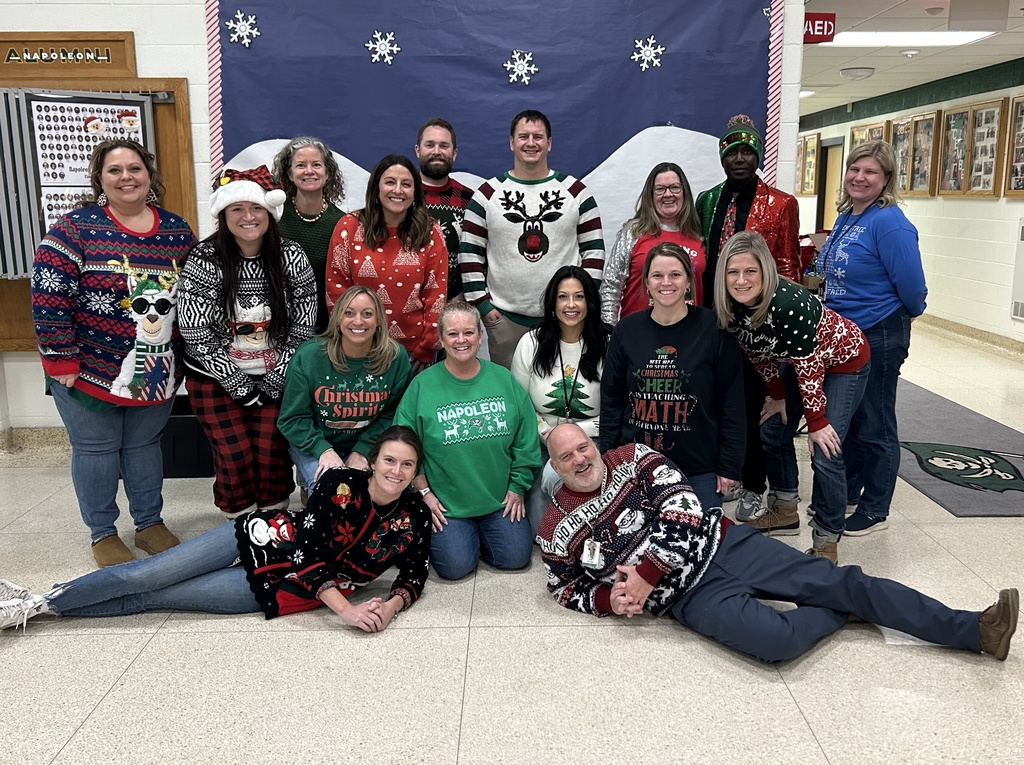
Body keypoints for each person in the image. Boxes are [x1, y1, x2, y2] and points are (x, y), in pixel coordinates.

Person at [538, 423, 1018, 664]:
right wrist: (609, 599)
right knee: (776, 643)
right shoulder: (553, 527)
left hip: (726, 545)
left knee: (846, 583)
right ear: (554, 468)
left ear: (594, 444)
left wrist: (645, 574)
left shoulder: (634, 457)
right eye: (567, 457)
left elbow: (683, 506)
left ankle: (976, 630)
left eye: (583, 447)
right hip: (688, 597)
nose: (580, 459)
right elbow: (564, 588)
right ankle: (842, 608)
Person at [0, 428, 431, 634]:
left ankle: (42, 610)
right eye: (389, 460)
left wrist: (391, 607)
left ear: (416, 472)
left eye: (407, 464)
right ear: (373, 461)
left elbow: (414, 574)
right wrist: (347, 611)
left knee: (155, 598)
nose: (396, 471)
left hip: (282, 589)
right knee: (146, 574)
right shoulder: (339, 483)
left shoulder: (415, 515)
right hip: (261, 536)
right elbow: (309, 556)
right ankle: (38, 600)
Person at [31, 139, 196, 567]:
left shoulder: (177, 231)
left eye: (135, 168)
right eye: (115, 170)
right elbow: (49, 296)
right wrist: (60, 358)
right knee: (97, 450)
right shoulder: (73, 230)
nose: (126, 177)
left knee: (144, 446)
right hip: (86, 370)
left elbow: (195, 295)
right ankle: (103, 532)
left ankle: (149, 524)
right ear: (99, 179)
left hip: (156, 367)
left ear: (149, 175)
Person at [714, 231, 870, 563]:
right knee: (772, 430)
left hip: (844, 361)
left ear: (765, 271)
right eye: (733, 272)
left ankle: (826, 539)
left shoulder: (788, 303)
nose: (741, 281)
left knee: (825, 449)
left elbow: (809, 366)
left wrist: (817, 422)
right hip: (799, 362)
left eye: (750, 271)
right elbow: (757, 353)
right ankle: (784, 508)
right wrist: (777, 396)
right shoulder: (730, 307)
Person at [177, 166, 317, 515]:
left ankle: (274, 518)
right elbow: (195, 331)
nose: (248, 216)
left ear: (269, 212)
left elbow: (303, 326)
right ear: (223, 214)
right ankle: (239, 522)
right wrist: (237, 383)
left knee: (271, 453)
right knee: (235, 454)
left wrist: (275, 380)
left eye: (256, 207)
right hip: (214, 377)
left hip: (277, 375)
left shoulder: (291, 255)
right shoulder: (204, 258)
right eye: (237, 208)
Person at [817, 140, 928, 537]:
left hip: (878, 331)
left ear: (886, 179)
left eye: (870, 172)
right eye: (855, 169)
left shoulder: (890, 223)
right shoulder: (849, 214)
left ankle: (875, 508)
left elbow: (914, 290)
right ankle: (848, 489)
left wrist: (897, 317)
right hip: (844, 335)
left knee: (876, 422)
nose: (860, 178)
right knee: (850, 418)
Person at [695, 115, 801, 523]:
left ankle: (756, 484)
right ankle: (732, 473)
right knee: (720, 403)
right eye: (732, 151)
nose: (739, 158)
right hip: (716, 321)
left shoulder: (781, 204)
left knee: (756, 405)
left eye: (747, 151)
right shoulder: (707, 200)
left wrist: (778, 326)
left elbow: (788, 265)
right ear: (722, 155)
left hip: (760, 325)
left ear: (758, 155)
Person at [396, 301, 541, 579]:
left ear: (480, 336)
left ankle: (478, 535)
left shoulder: (503, 379)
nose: (461, 340)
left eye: (468, 332)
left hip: (499, 500)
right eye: (452, 334)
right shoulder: (421, 386)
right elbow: (403, 444)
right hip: (447, 505)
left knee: (515, 558)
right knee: (455, 568)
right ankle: (462, 537)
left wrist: (517, 486)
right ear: (441, 339)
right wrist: (423, 492)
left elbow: (526, 438)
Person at [600, 242, 744, 514]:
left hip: (698, 469)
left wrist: (729, 466)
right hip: (637, 467)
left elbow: (732, 404)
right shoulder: (626, 330)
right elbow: (612, 400)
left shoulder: (715, 330)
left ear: (689, 281)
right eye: (657, 275)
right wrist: (608, 457)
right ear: (646, 283)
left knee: (700, 538)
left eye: (675, 275)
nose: (666, 282)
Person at [459, 109, 605, 368]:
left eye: (538, 137)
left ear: (549, 143)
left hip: (565, 320)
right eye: (523, 136)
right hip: (505, 322)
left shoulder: (576, 193)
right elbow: (469, 254)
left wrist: (582, 303)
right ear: (511, 142)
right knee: (509, 389)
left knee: (559, 388)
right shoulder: (487, 195)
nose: (531, 143)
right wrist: (485, 309)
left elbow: (594, 252)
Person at [278, 285, 411, 491]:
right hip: (315, 443)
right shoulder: (309, 356)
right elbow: (292, 418)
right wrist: (323, 450)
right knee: (331, 491)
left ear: (378, 321)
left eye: (367, 314)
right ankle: (309, 484)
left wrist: (363, 450)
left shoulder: (395, 357)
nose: (358, 321)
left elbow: (393, 415)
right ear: (338, 319)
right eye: (349, 313)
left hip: (369, 443)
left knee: (376, 491)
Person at [326, 154, 447, 374]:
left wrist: (429, 346)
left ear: (415, 192)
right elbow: (336, 289)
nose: (398, 190)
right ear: (376, 187)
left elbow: (435, 294)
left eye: (406, 184)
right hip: (359, 347)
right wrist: (346, 340)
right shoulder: (349, 227)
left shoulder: (430, 231)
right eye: (390, 182)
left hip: (415, 353)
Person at [511, 266, 609, 534]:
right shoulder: (531, 342)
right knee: (541, 529)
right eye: (563, 297)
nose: (571, 305)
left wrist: (577, 433)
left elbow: (617, 408)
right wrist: (548, 434)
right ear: (552, 303)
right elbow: (520, 404)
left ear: (590, 302)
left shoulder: (609, 342)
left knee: (596, 522)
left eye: (579, 297)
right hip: (542, 441)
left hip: (593, 440)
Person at [601, 162, 706, 323]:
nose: (668, 194)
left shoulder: (698, 234)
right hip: (637, 331)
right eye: (660, 189)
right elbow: (611, 286)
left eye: (675, 187)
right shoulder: (634, 232)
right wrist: (610, 330)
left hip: (688, 332)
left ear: (684, 191)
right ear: (650, 194)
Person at [272, 136, 346, 332]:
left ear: (328, 173)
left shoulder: (341, 223)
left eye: (316, 164)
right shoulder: (275, 217)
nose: (309, 171)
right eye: (300, 165)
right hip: (281, 323)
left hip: (328, 326)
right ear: (289, 174)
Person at [415, 117, 476, 302]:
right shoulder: (401, 196)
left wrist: (462, 298)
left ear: (454, 153)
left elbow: (478, 256)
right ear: (418, 150)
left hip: (457, 302)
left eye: (444, 146)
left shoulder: (470, 200)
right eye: (430, 145)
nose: (437, 152)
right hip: (406, 302)